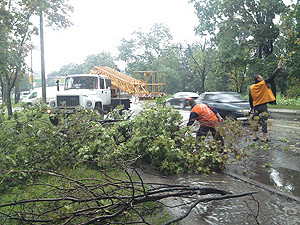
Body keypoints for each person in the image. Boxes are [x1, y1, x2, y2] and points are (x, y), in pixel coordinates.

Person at [249, 58, 283, 142]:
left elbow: (250, 98)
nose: (262, 77)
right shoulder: (263, 83)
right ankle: (264, 138)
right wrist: (278, 67)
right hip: (263, 106)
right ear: (258, 79)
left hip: (256, 106)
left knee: (255, 121)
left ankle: (254, 136)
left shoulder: (251, 88)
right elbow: (272, 77)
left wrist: (251, 107)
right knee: (264, 121)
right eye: (261, 77)